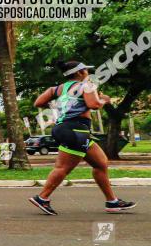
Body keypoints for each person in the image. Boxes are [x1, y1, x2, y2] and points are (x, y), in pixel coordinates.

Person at [29, 61, 136, 215]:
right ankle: (42, 198)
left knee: (101, 163)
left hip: (66, 128)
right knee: (63, 167)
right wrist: (104, 100)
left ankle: (112, 202)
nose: (87, 72)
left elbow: (39, 102)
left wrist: (59, 107)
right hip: (75, 129)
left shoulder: (58, 89)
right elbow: (93, 105)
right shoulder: (87, 86)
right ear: (79, 73)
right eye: (86, 70)